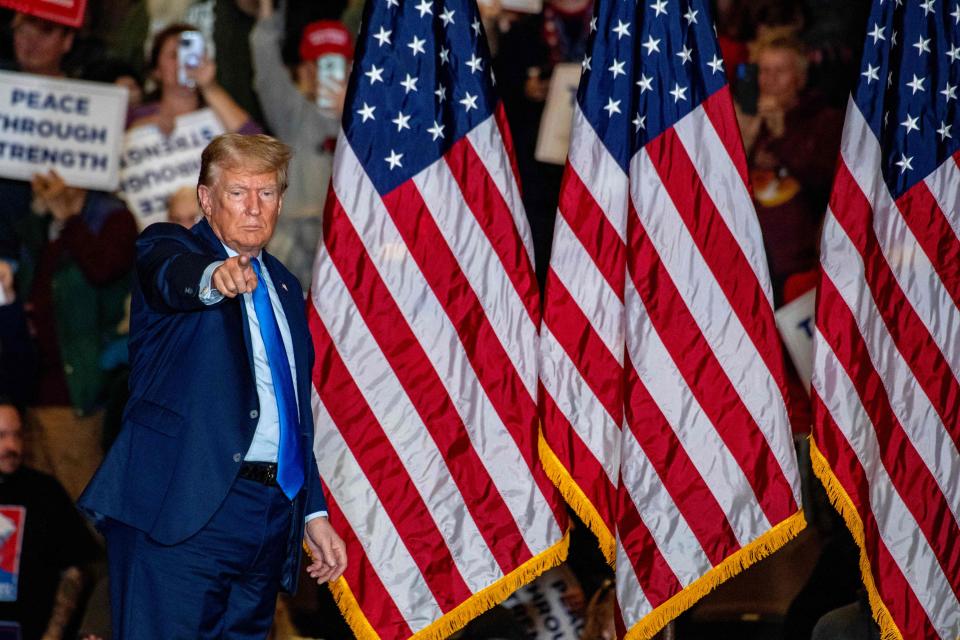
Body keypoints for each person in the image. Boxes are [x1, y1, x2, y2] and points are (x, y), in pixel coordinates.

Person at [79, 133, 346, 639]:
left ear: (281, 201)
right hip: (184, 509)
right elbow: (170, 276)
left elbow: (289, 411)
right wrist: (213, 279)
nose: (253, 208)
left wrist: (313, 511)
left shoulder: (286, 286)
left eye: (266, 193)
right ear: (206, 198)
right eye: (237, 192)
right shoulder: (169, 244)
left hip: (269, 519)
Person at [250, 0, 346, 288]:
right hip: (293, 235)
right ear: (304, 71)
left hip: (344, 238)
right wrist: (267, 11)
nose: (328, 74)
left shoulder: (368, 119)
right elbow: (266, 61)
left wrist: (351, 116)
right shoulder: (290, 112)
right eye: (320, 64)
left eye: (337, 63)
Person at [0, 403, 101, 640]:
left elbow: (77, 568)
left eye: (17, 434)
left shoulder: (44, 491)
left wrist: (53, 635)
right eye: (2, 435)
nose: (12, 446)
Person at [127, 22, 261, 136]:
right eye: (174, 55)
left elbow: (258, 148)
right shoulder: (135, 115)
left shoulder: (220, 114)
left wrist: (210, 87)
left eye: (191, 54)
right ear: (156, 71)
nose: (183, 62)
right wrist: (140, 131)